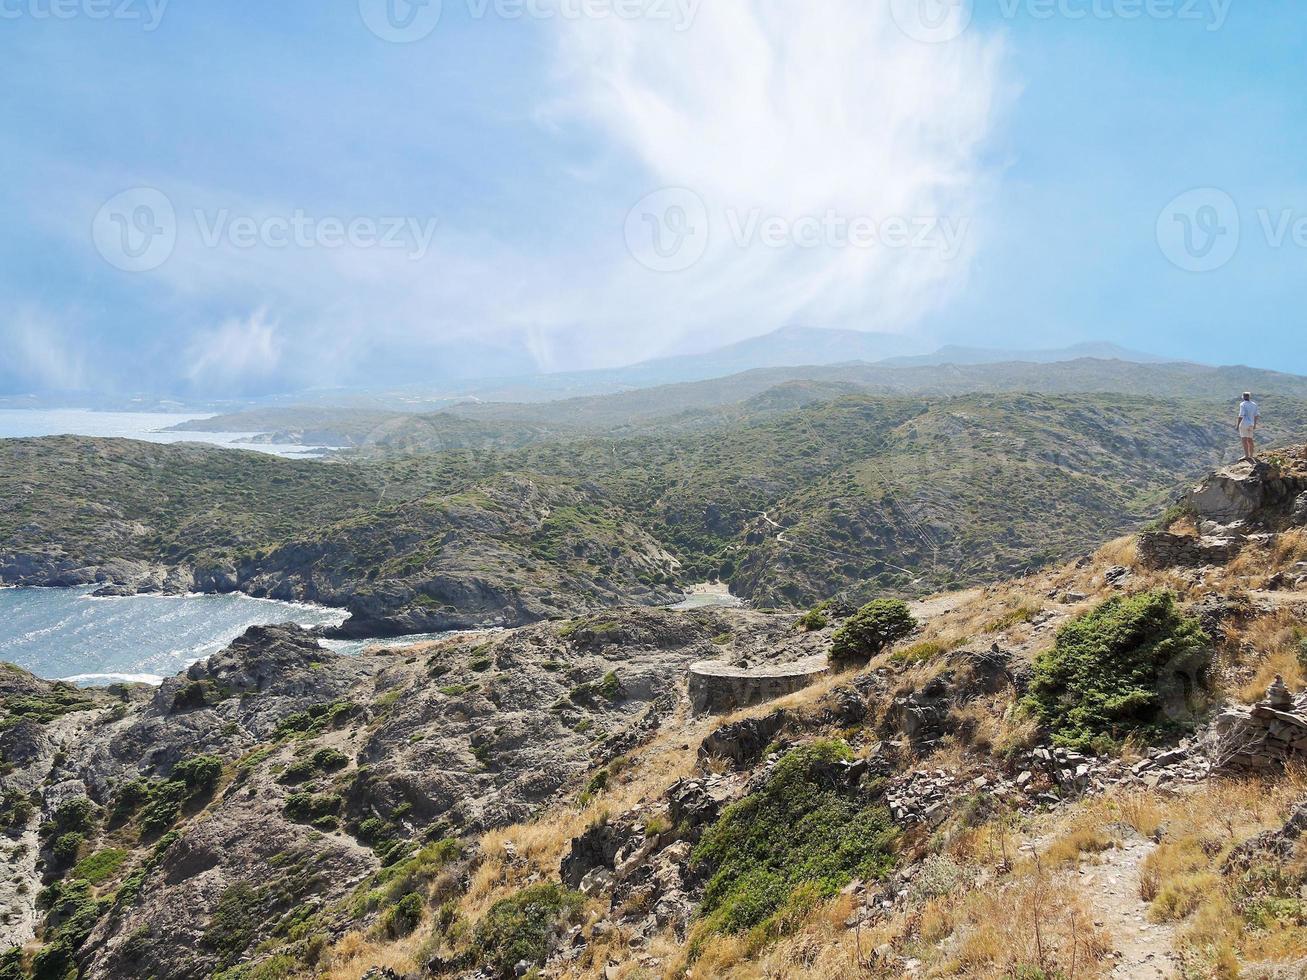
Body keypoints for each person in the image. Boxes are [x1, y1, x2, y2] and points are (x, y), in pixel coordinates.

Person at [1237, 392, 1260, 461]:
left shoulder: (1242, 404)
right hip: (1251, 424)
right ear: (1249, 397)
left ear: (1243, 397)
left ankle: (1246, 455)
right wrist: (1255, 424)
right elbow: (1256, 415)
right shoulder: (1254, 404)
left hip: (1244, 423)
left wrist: (1237, 425)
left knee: (1244, 440)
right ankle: (1251, 455)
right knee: (1250, 439)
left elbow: (1241, 415)